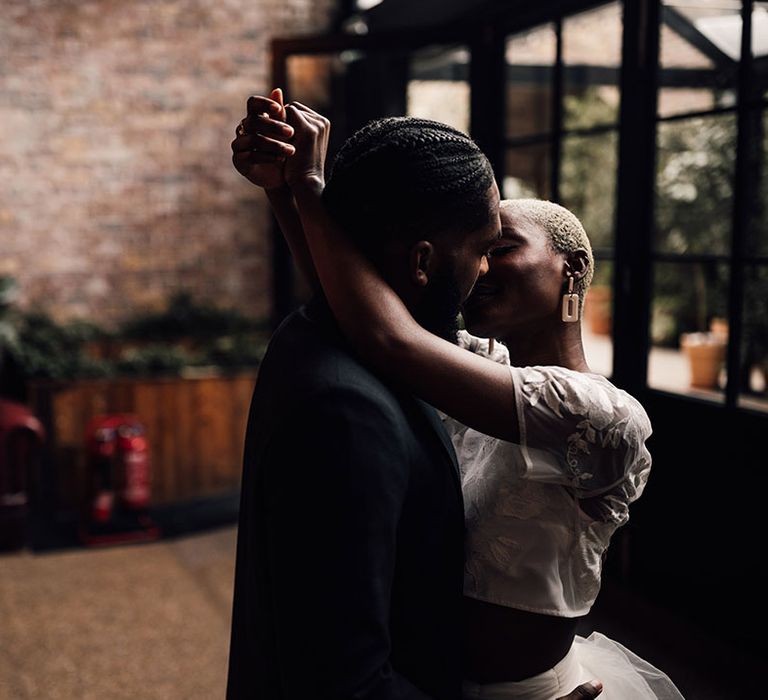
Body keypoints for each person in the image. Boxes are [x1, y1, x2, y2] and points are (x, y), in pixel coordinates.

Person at [236, 93, 686, 699]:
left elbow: (386, 337)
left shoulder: (602, 417)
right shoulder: (476, 366)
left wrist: (308, 188)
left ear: (573, 268)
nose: (480, 267)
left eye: (502, 247)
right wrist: (283, 191)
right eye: (479, 249)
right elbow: (358, 304)